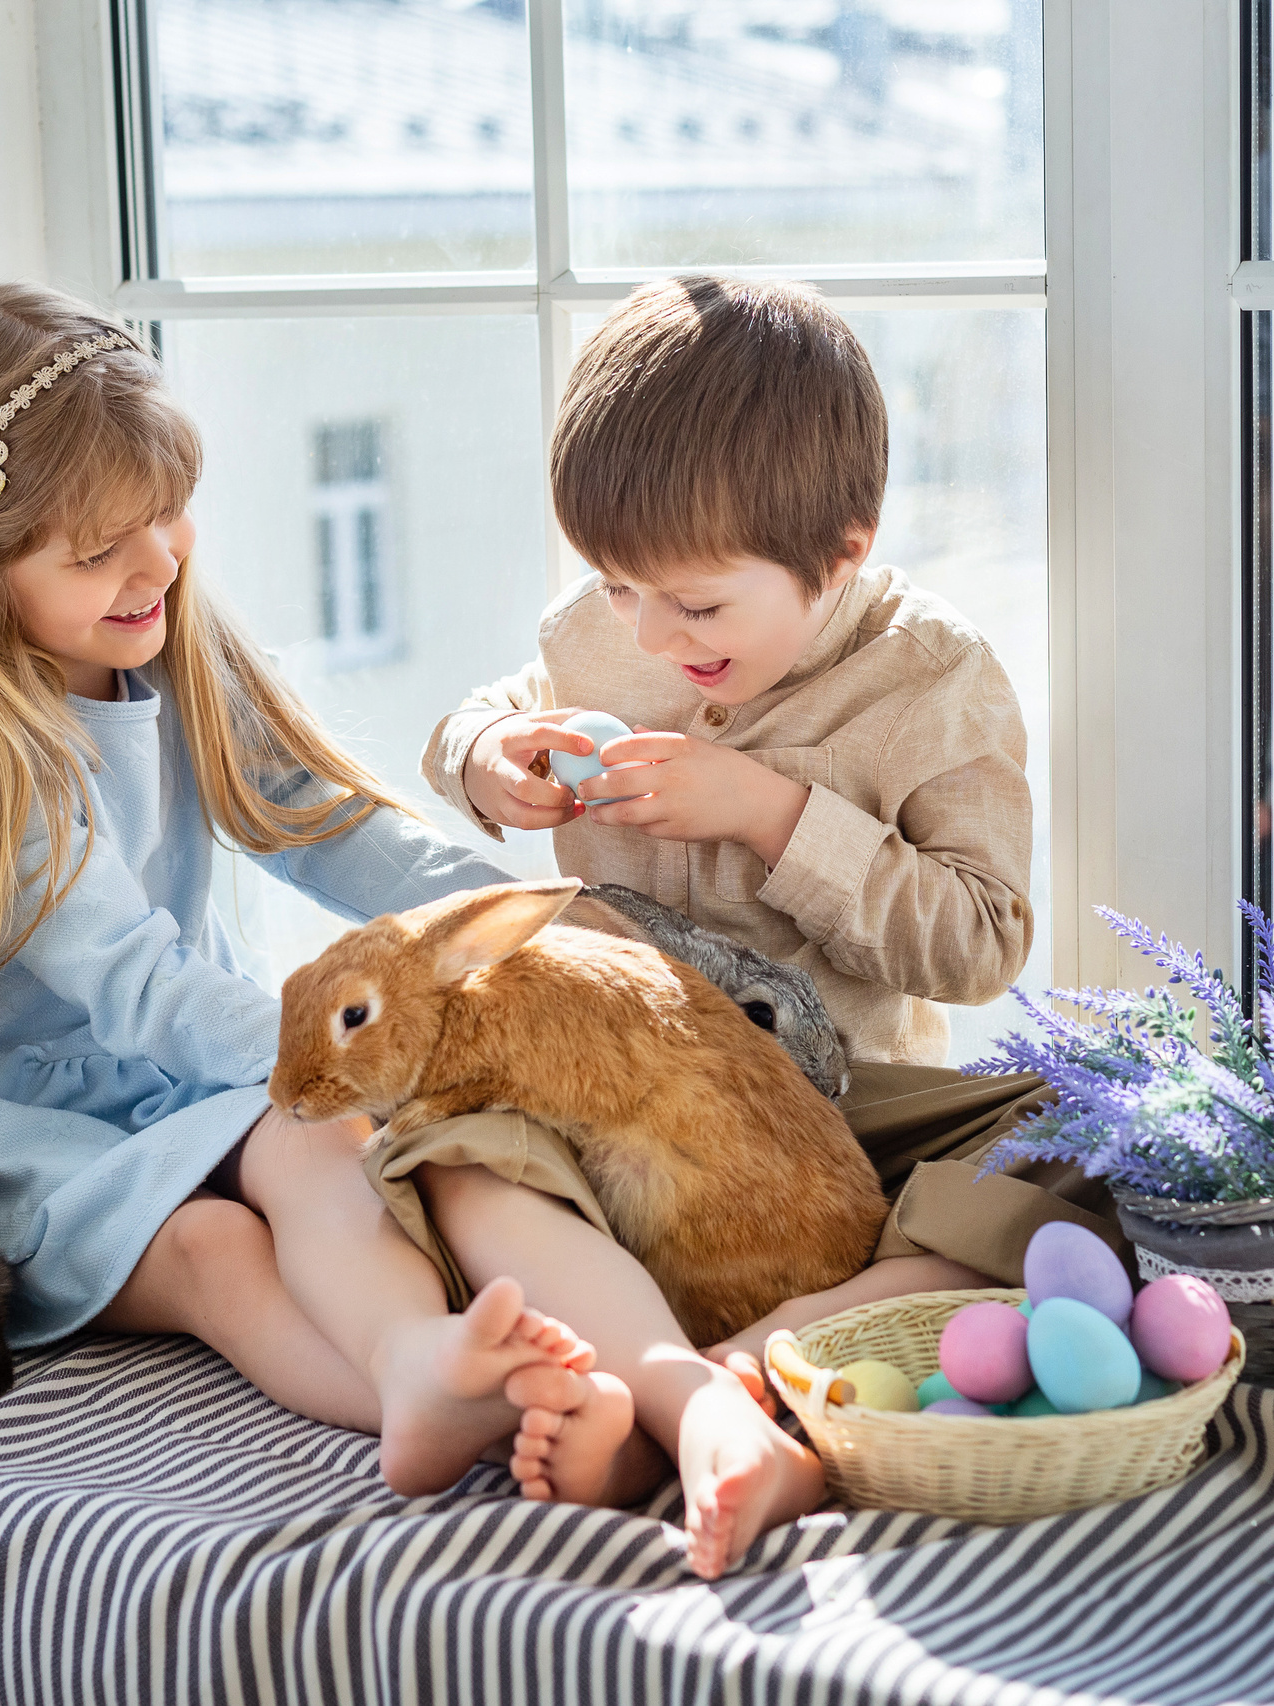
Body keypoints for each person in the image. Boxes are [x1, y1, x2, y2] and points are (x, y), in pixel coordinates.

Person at [0, 283, 817, 1579]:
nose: (157, 562)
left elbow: (338, 827)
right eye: (98, 547)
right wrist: (375, 1055)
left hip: (189, 1081)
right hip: (47, 1136)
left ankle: (687, 1401)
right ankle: (419, 1384)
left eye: (166, 514)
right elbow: (140, 989)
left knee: (409, 1160)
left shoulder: (169, 652)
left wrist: (532, 931)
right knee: (220, 1241)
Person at [403, 275, 1122, 1508]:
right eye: (620, 587)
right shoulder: (609, 624)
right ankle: (648, 1384)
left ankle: (787, 1348)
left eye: (694, 604)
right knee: (447, 1148)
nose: (650, 631)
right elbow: (491, 709)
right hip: (616, 1096)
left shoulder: (933, 680)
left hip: (845, 1104)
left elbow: (983, 941)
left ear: (843, 551)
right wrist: (483, 761)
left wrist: (772, 814)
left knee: (1092, 1150)